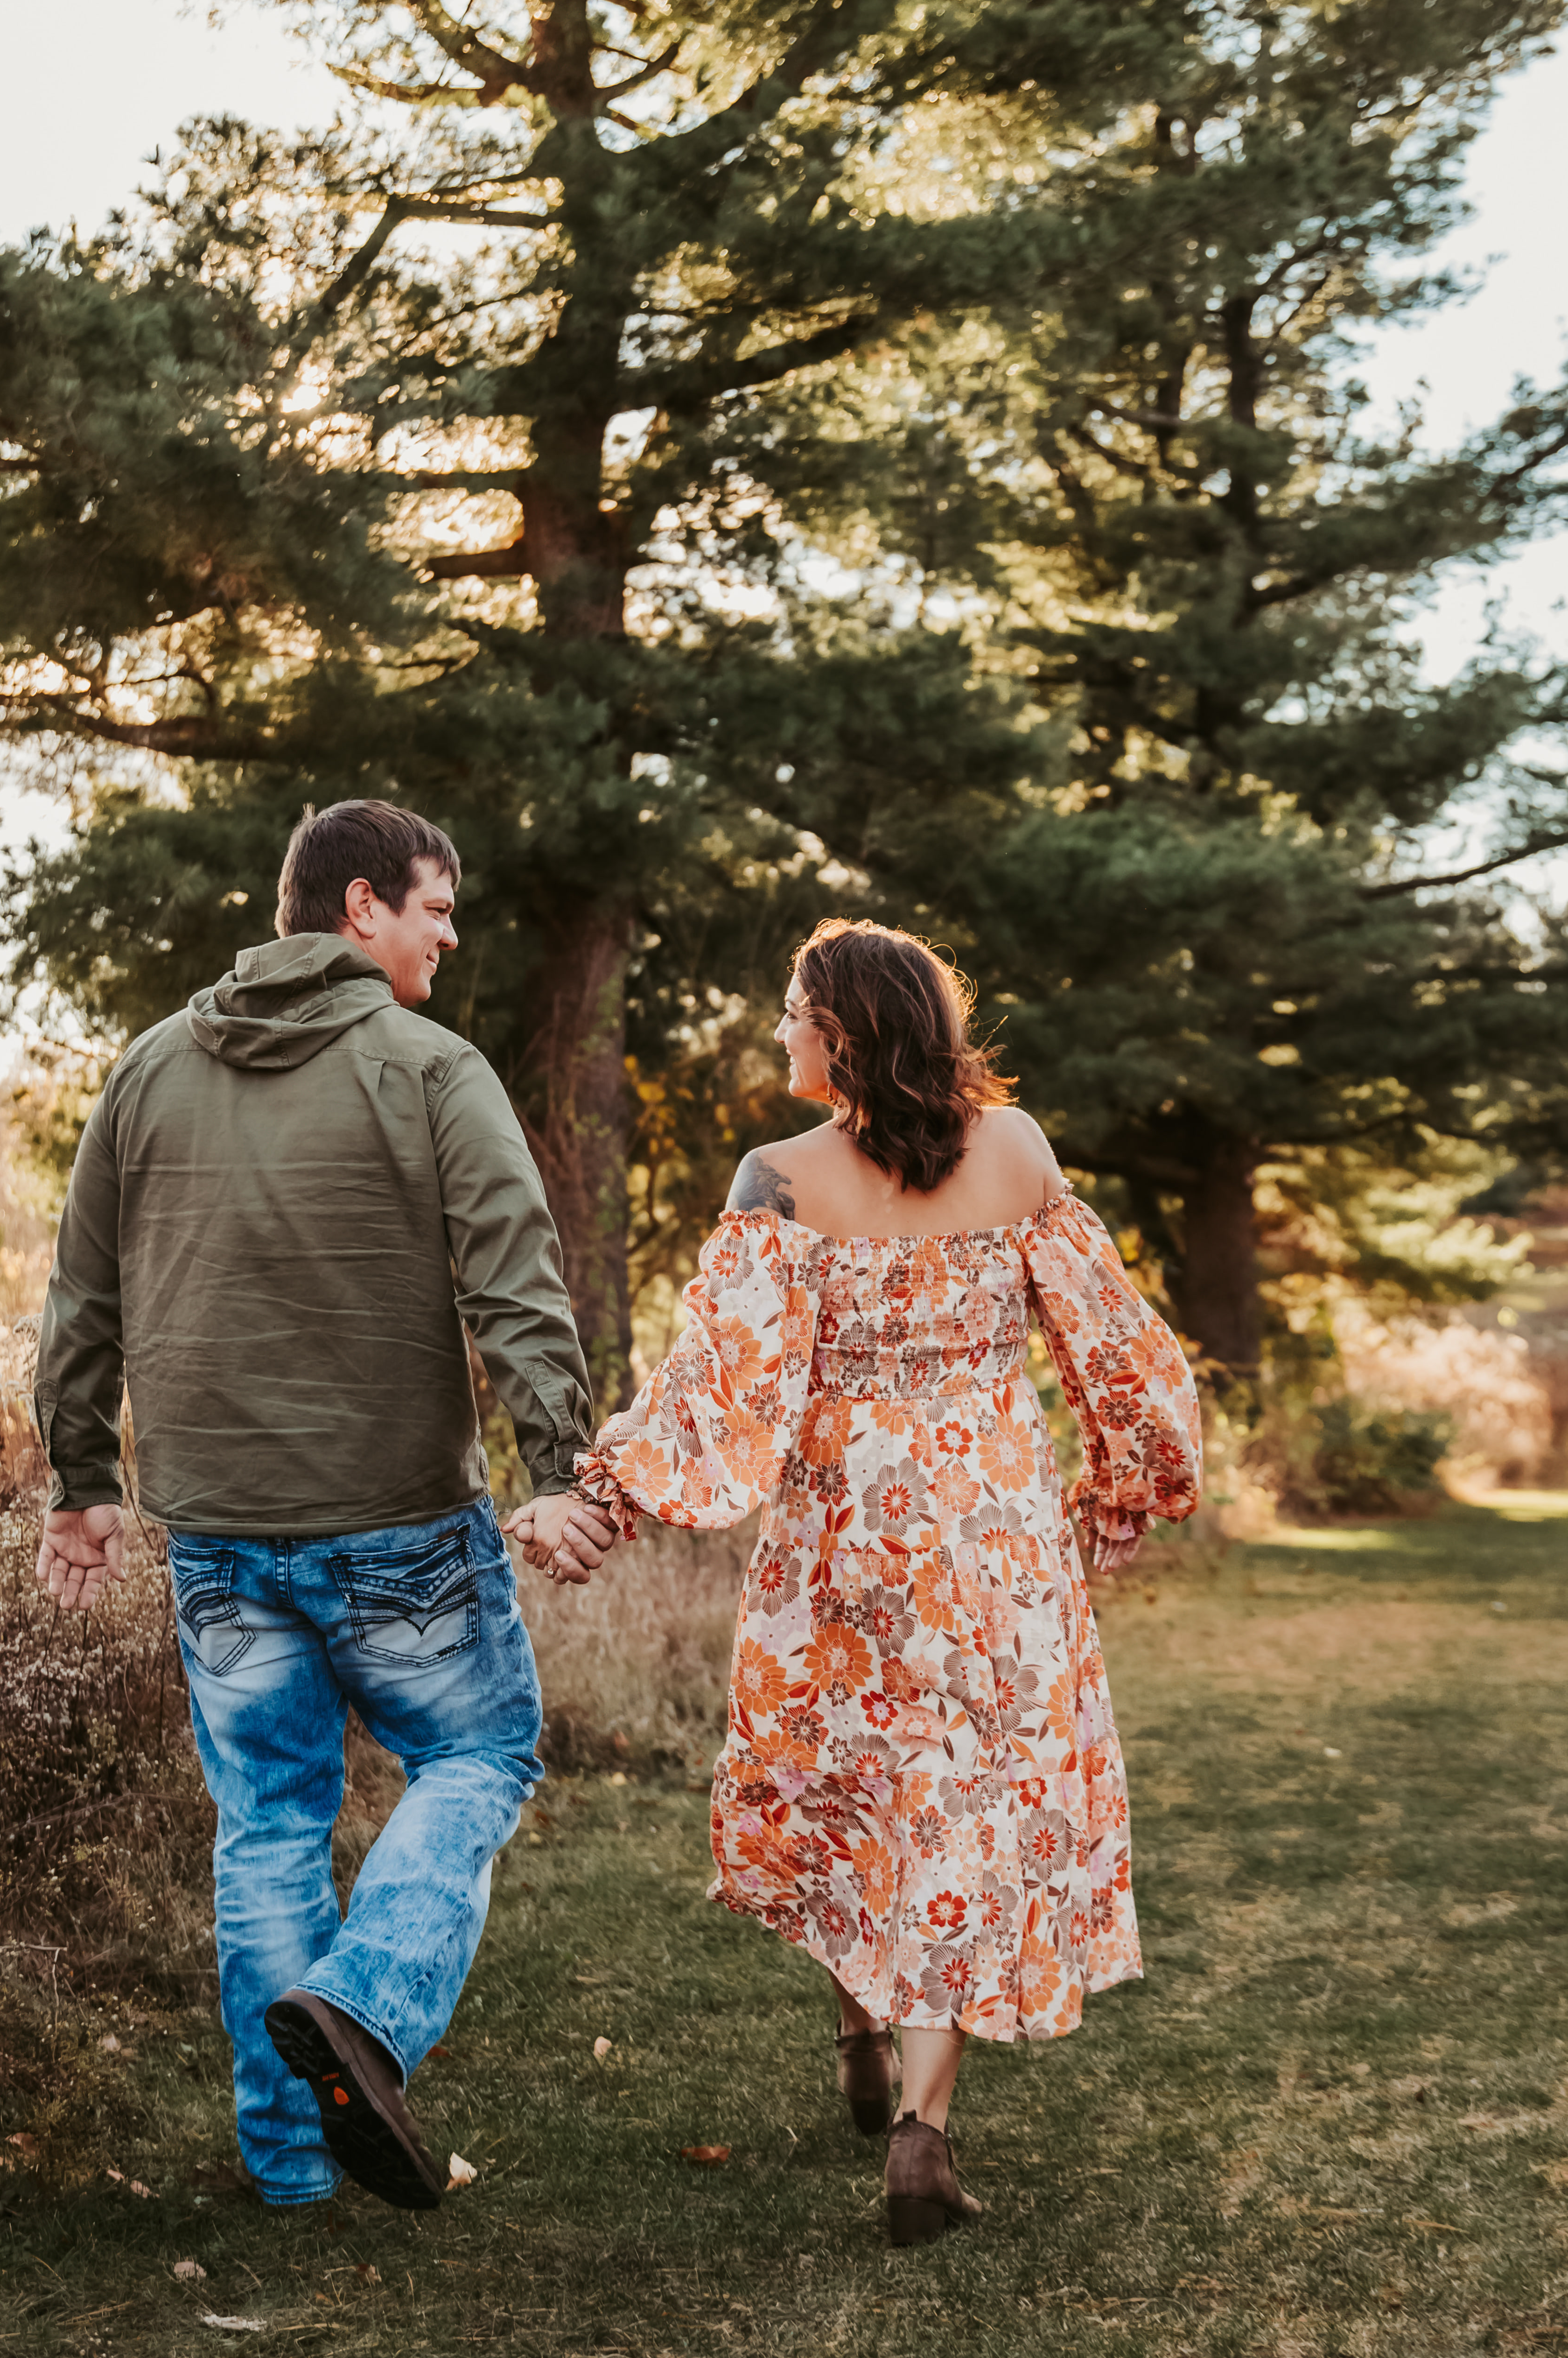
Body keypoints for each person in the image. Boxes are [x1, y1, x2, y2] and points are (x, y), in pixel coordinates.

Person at [514, 916, 1202, 2247]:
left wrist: (606, 1496)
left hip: (847, 1537)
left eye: (792, 1010)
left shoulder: (777, 1179)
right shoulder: (1020, 1152)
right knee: (966, 1808)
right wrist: (1133, 1475)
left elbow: (715, 1389)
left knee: (854, 1783)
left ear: (845, 1030)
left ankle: (858, 2033)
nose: (778, 1029)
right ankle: (923, 2128)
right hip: (997, 1540)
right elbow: (1111, 1339)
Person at [31, 799, 617, 2211]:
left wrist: (83, 1483)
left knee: (271, 1822)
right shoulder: (433, 1069)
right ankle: (365, 2006)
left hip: (217, 1528)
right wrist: (561, 1469)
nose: (449, 937)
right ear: (361, 906)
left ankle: (290, 2164)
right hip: (397, 1521)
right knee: (479, 1753)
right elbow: (517, 1285)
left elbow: (82, 1295)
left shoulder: (150, 1067)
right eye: (436, 907)